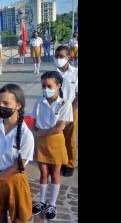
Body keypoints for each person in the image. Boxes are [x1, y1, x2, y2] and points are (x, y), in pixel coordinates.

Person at [0, 84, 34, 223]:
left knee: (18, 219)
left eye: (6, 103)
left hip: (15, 181)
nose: (1, 106)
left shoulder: (26, 135)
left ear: (18, 105)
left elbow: (17, 167)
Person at [31, 71, 73, 221]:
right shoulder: (38, 102)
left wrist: (38, 133)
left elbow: (59, 128)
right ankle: (42, 201)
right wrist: (34, 133)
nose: (46, 88)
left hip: (55, 142)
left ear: (58, 86)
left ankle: (52, 204)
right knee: (43, 173)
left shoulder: (64, 103)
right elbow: (33, 122)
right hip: (41, 143)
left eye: (49, 85)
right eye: (43, 85)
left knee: (55, 173)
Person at [54, 45, 78, 177]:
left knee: (69, 138)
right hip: (55, 109)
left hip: (72, 108)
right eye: (56, 56)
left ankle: (70, 163)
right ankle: (60, 160)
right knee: (57, 137)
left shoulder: (76, 72)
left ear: (68, 57)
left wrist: (70, 110)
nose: (58, 59)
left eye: (61, 56)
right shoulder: (52, 74)